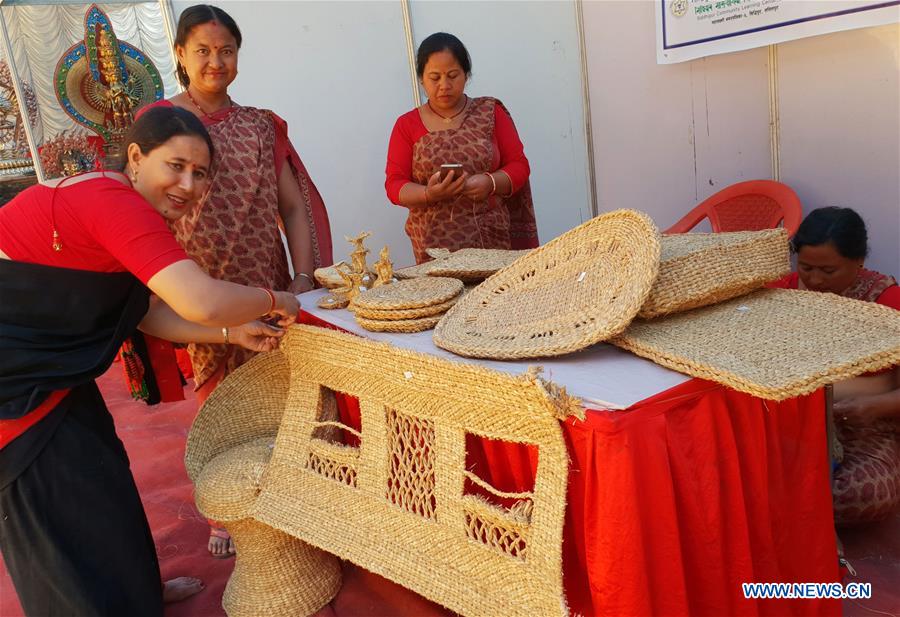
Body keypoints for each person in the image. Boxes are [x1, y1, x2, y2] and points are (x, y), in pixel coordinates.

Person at [0, 106, 301, 616]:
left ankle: (135, 594)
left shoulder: (129, 206)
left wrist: (232, 332)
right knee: (60, 515)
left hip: (57, 374)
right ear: (136, 157)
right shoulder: (112, 200)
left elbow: (146, 313)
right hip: (16, 388)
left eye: (200, 173)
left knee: (105, 487)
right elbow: (200, 300)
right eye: (176, 166)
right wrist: (279, 299)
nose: (188, 185)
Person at [138, 4, 333, 556]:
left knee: (278, 392)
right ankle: (225, 510)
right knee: (218, 402)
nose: (215, 62)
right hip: (196, 282)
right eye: (202, 50)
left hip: (264, 280)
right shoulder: (162, 123)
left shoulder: (260, 125)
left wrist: (302, 277)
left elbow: (292, 207)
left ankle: (285, 493)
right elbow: (143, 204)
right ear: (180, 54)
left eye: (226, 51)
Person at [771, 206, 899, 525]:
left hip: (863, 425)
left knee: (860, 492)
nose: (815, 279)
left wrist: (873, 407)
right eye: (806, 267)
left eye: (829, 271)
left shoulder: (886, 302)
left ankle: (768, 509)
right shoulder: (782, 293)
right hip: (789, 422)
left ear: (859, 261)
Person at [385, 32, 539, 264]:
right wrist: (429, 194)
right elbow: (394, 184)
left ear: (466, 75)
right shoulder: (406, 125)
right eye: (434, 78)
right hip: (433, 246)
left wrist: (490, 182)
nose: (444, 85)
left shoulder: (490, 113)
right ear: (421, 79)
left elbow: (519, 166)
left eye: (452, 75)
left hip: (491, 241)